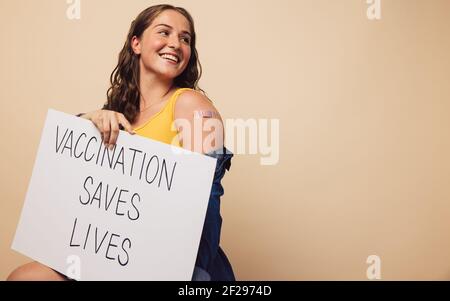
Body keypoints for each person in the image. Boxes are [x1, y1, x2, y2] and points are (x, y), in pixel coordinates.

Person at [7, 4, 235, 281]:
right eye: (165, 32)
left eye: (185, 39)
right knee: (26, 276)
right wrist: (87, 119)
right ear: (136, 43)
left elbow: (205, 211)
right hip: (112, 256)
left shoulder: (191, 105)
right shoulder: (119, 112)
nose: (176, 44)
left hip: (171, 263)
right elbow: (71, 187)